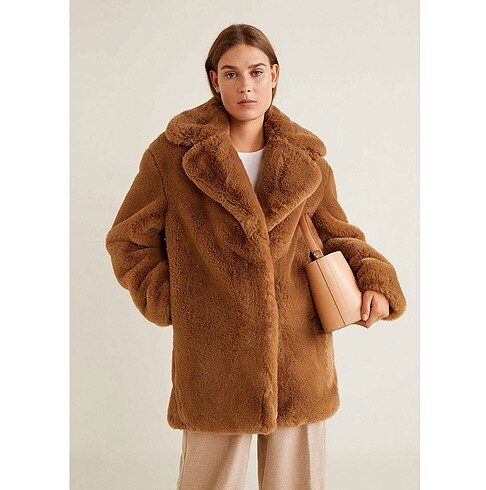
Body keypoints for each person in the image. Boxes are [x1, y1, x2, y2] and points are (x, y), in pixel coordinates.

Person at [106, 23, 406, 490]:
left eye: (256, 71)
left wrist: (375, 281)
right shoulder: (172, 157)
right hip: (213, 357)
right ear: (214, 80)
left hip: (298, 354)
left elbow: (338, 235)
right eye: (231, 73)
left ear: (274, 76)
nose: (245, 85)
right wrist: (175, 301)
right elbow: (128, 240)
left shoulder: (306, 161)